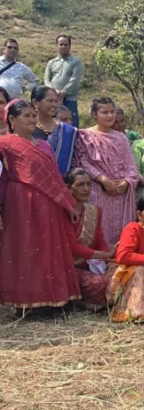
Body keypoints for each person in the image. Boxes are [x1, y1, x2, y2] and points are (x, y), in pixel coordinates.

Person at [0, 100, 80, 309]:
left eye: (33, 115)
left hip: (49, 203)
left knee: (48, 248)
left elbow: (55, 177)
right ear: (12, 119)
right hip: (20, 202)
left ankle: (53, 300)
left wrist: (68, 204)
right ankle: (25, 302)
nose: (31, 119)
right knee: (25, 249)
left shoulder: (44, 145)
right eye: (26, 116)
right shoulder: (5, 144)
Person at [75, 97, 140, 247]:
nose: (110, 116)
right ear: (94, 114)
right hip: (97, 190)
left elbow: (131, 164)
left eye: (112, 112)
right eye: (104, 112)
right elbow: (83, 162)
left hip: (120, 193)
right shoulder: (84, 136)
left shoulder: (121, 137)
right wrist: (103, 180)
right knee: (98, 229)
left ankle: (120, 255)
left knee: (120, 235)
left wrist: (127, 182)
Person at [63, 168, 114, 309]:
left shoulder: (94, 210)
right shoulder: (63, 212)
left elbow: (99, 240)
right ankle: (77, 299)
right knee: (99, 284)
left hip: (90, 264)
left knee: (118, 273)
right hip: (68, 267)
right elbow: (72, 248)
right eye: (80, 184)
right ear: (68, 188)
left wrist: (105, 258)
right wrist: (104, 255)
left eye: (88, 184)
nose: (86, 189)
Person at [31, 85, 77, 175]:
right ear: (36, 102)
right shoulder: (28, 128)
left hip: (63, 179)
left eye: (56, 101)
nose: (54, 105)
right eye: (50, 101)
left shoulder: (64, 129)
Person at [44, 35, 83, 127]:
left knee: (71, 125)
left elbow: (74, 80)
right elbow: (46, 80)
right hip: (54, 99)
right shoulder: (51, 62)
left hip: (70, 98)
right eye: (61, 44)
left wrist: (62, 93)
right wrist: (55, 92)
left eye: (66, 45)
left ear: (70, 46)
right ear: (57, 46)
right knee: (53, 124)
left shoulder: (76, 62)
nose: (63, 47)